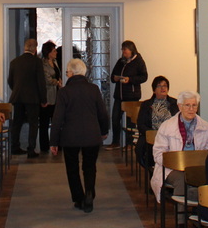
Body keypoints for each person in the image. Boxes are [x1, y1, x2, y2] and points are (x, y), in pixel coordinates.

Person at [50, 58, 110, 213]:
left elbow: (57, 118)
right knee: (90, 167)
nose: (66, 74)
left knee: (72, 168)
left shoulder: (64, 92)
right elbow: (103, 113)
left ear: (71, 73)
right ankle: (89, 193)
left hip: (70, 137)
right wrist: (104, 131)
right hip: (92, 134)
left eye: (67, 72)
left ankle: (78, 198)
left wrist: (54, 141)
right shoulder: (94, 89)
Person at [151, 90, 208, 201]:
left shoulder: (204, 126)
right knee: (182, 180)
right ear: (180, 107)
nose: (191, 109)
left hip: (195, 167)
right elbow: (158, 153)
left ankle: (201, 208)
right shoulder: (167, 126)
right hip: (171, 168)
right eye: (187, 105)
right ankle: (181, 211)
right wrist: (175, 162)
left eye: (194, 105)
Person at [8, 38, 47, 158]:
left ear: (24, 47)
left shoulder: (14, 62)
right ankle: (31, 149)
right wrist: (43, 99)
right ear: (35, 49)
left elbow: (10, 80)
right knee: (33, 123)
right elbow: (41, 82)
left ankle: (14, 146)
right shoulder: (37, 62)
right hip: (32, 98)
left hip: (18, 97)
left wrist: (16, 89)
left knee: (17, 122)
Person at [109, 40, 148, 149]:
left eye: (125, 50)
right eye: (122, 50)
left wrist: (130, 80)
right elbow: (112, 76)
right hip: (119, 96)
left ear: (131, 50)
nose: (123, 52)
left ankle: (130, 143)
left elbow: (144, 77)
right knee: (115, 119)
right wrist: (115, 78)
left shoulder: (139, 61)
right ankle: (115, 142)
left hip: (132, 97)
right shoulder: (120, 61)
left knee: (131, 121)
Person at [136, 76, 179, 168]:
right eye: (159, 86)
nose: (163, 88)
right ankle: (152, 169)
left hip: (170, 135)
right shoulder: (146, 104)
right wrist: (153, 134)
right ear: (154, 90)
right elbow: (141, 124)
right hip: (152, 135)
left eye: (165, 86)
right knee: (143, 147)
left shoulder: (175, 103)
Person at [39, 41, 62, 154]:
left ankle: (57, 143)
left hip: (56, 94)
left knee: (56, 121)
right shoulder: (43, 64)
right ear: (48, 53)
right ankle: (44, 146)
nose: (56, 52)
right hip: (47, 96)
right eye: (54, 51)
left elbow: (58, 75)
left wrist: (59, 81)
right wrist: (57, 82)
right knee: (44, 122)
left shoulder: (55, 62)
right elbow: (47, 79)